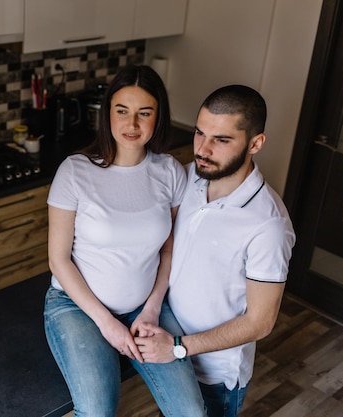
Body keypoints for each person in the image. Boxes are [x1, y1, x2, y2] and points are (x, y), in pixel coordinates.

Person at [44, 64, 206, 417]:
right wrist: (107, 324)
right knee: (97, 411)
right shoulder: (75, 171)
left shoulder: (169, 173)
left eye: (143, 113)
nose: (132, 124)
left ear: (157, 118)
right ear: (108, 114)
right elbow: (59, 260)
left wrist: (151, 308)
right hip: (77, 307)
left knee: (192, 413)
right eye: (122, 111)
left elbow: (169, 248)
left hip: (145, 307)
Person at [135, 85, 296, 417]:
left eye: (221, 140)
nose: (203, 149)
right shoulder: (191, 176)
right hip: (168, 342)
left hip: (215, 373)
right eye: (199, 133)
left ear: (255, 143)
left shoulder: (268, 225)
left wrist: (178, 348)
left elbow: (260, 322)